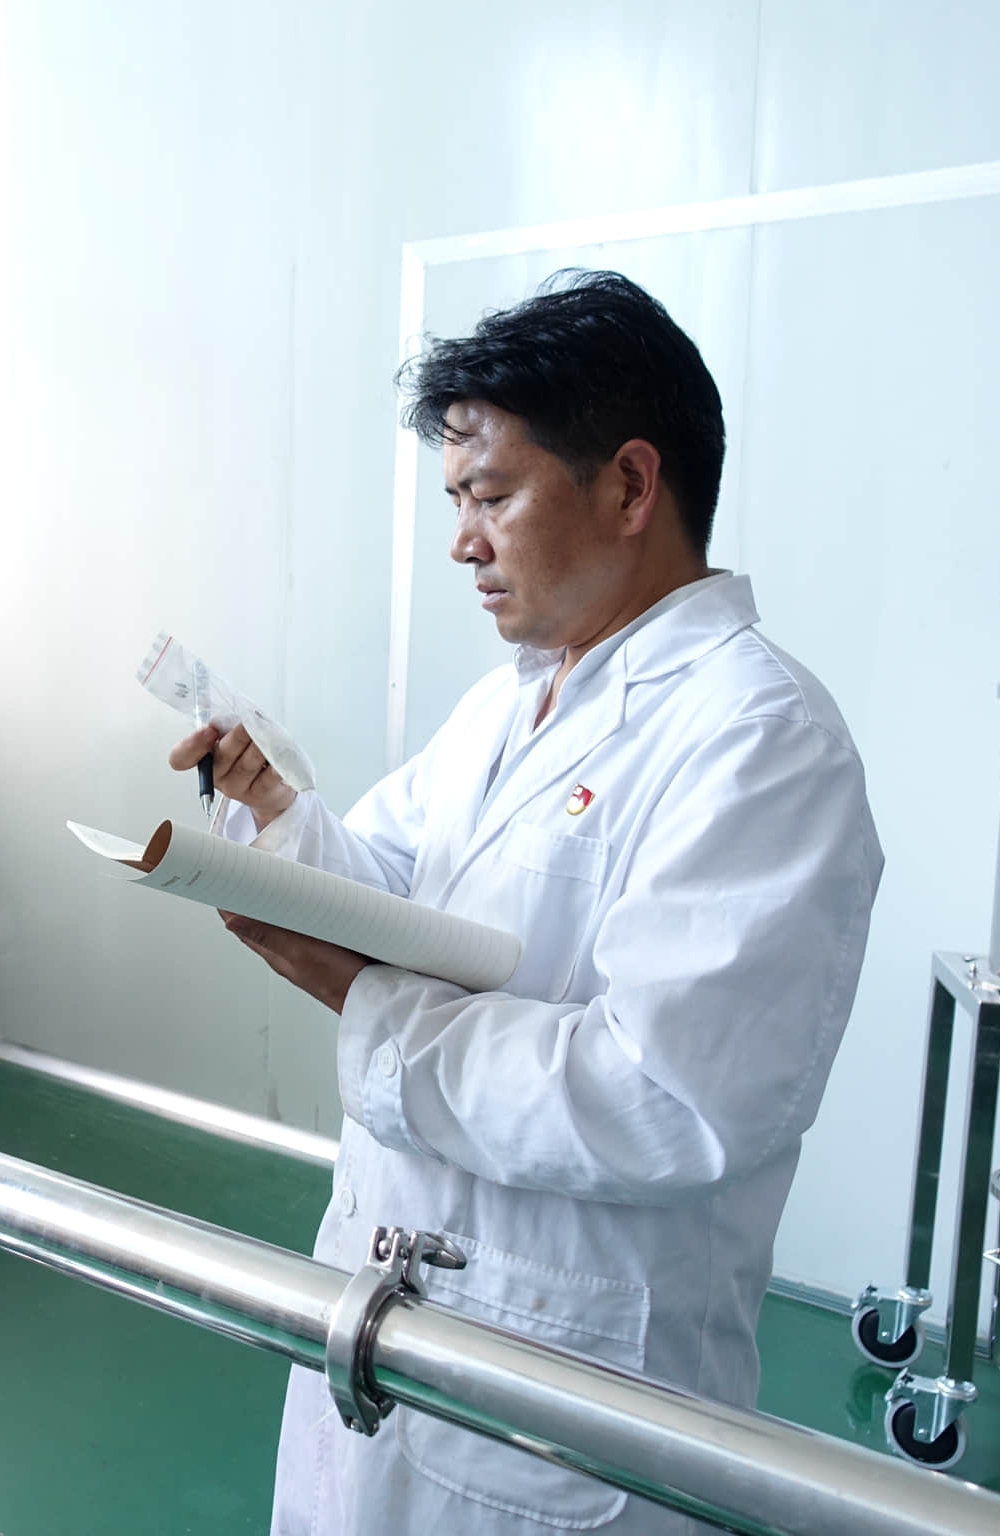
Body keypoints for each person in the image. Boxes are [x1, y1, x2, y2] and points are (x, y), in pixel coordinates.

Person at [169, 270, 882, 1534]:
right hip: (390, 1314)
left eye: (492, 496)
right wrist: (277, 822)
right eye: (458, 501)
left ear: (630, 486)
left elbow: (663, 1102)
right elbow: (394, 893)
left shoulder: (760, 739)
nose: (464, 541)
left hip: (564, 1380)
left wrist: (372, 1009)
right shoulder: (508, 703)